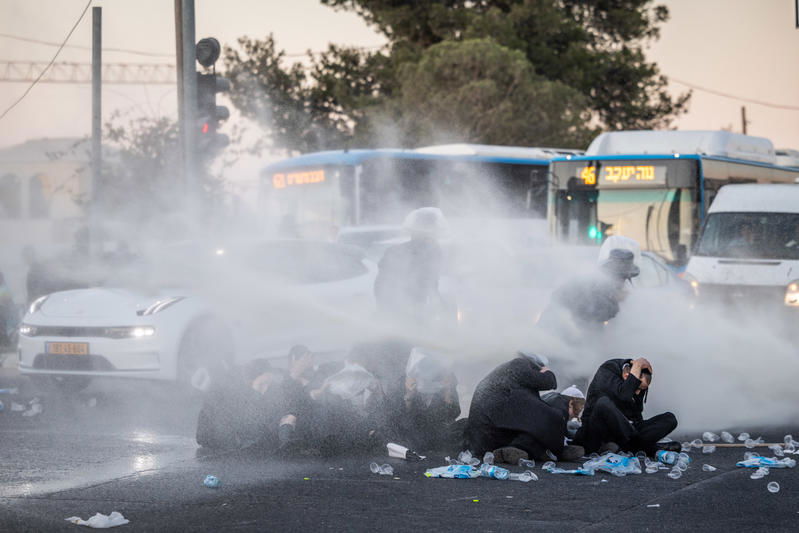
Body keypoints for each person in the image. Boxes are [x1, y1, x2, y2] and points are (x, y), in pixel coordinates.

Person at [463, 352, 585, 464]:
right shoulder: (519, 364)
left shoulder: (507, 380)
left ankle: (517, 451)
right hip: (490, 432)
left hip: (484, 438)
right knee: (551, 418)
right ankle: (555, 451)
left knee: (535, 420)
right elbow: (547, 382)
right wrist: (547, 372)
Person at [574, 357, 678, 457]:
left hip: (623, 434)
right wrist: (638, 364)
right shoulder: (608, 369)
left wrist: (647, 430)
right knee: (603, 403)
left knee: (670, 418)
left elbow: (636, 417)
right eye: (637, 387)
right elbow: (624, 396)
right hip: (596, 431)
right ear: (627, 376)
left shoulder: (636, 389)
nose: (638, 392)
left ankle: (633, 446)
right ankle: (643, 447)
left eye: (642, 390)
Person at [539, 246, 640, 334]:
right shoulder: (597, 288)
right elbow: (597, 315)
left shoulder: (595, 281)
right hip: (558, 335)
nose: (624, 282)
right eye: (624, 277)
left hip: (557, 331)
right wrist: (616, 300)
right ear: (618, 276)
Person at [374, 207, 447, 322]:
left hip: (404, 312)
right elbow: (382, 285)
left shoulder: (394, 251)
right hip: (406, 311)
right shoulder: (432, 252)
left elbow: (379, 286)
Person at [396, 347, 462, 450]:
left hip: (439, 432)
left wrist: (447, 393)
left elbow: (455, 412)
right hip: (414, 433)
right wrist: (409, 396)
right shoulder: (405, 382)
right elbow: (401, 420)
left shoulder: (446, 379)